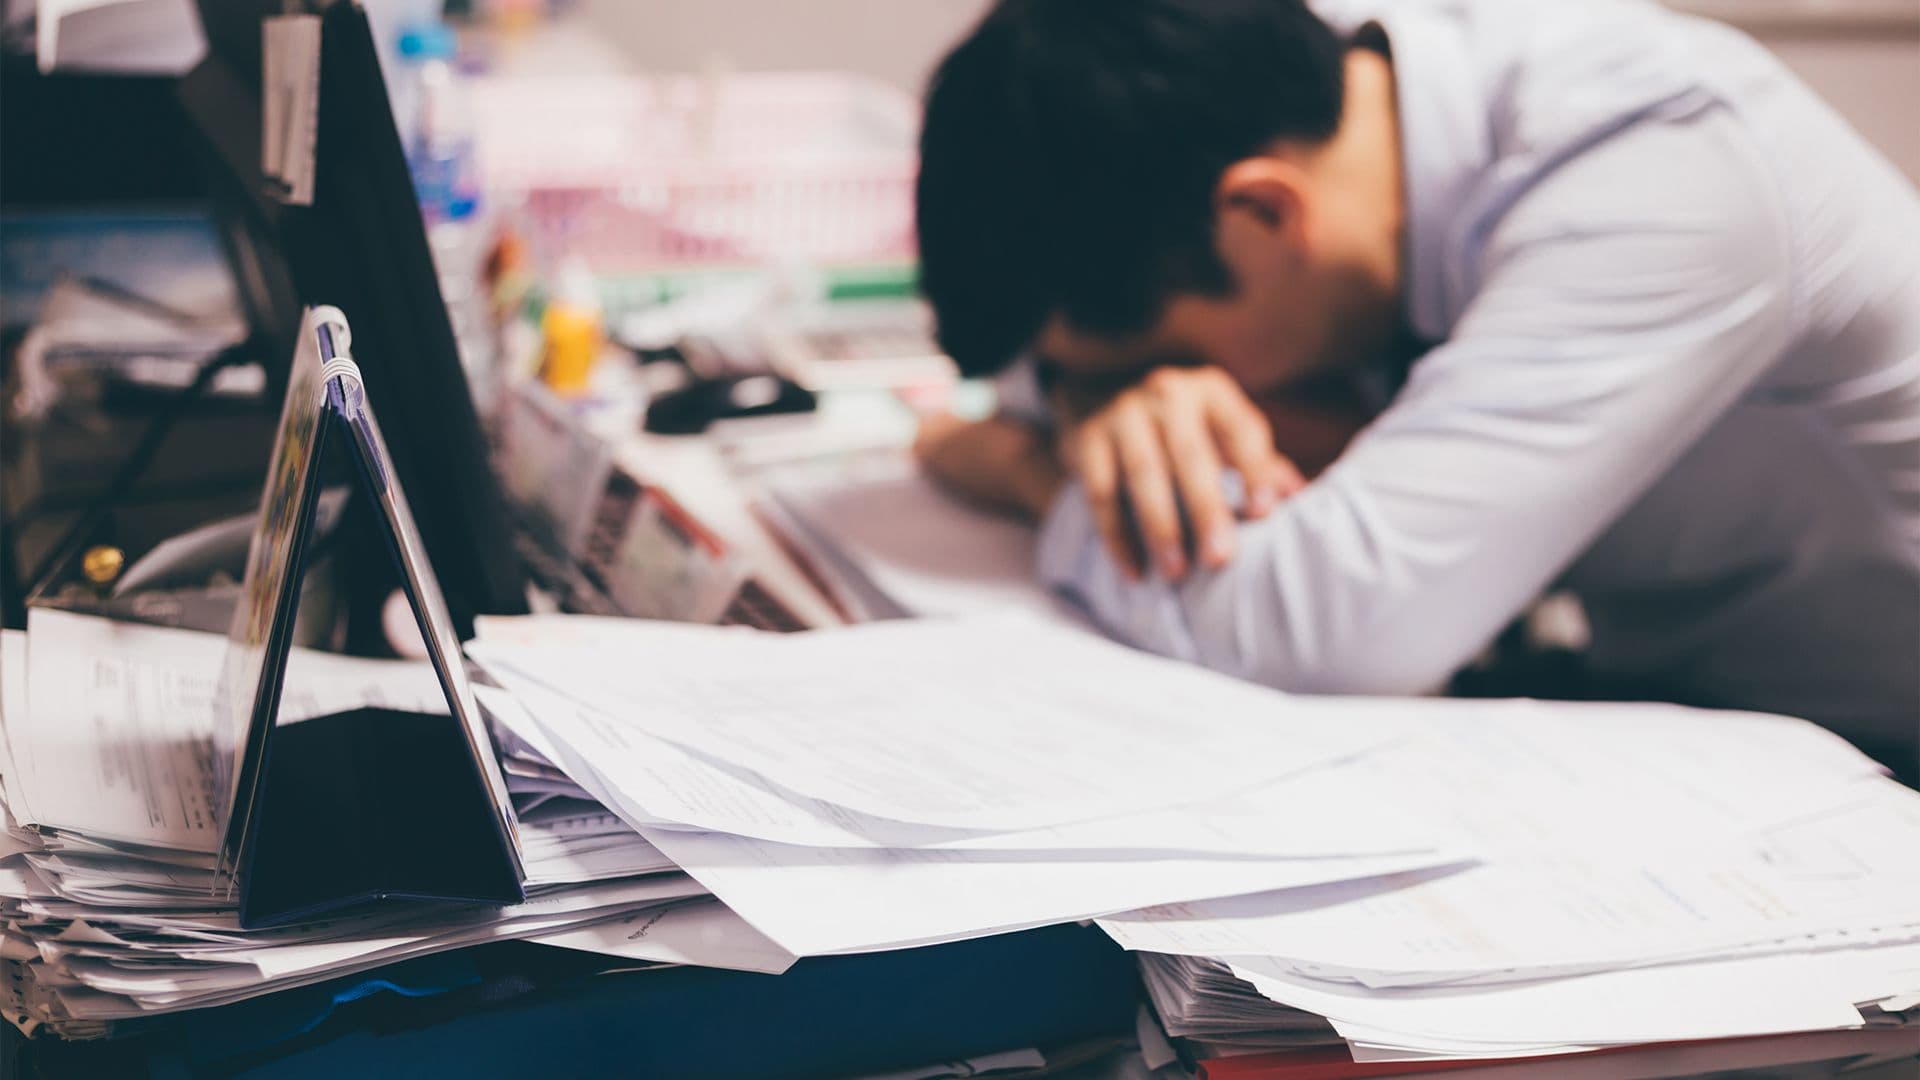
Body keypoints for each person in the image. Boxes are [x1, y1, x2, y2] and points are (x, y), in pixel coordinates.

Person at [910, 0, 1920, 775]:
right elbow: (1021, 358)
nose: (1149, 390)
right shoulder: (1317, 94)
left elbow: (1328, 635)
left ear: (1263, 212)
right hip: (1676, 707)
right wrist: (1100, 406)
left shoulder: (1656, 174)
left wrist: (1039, 473)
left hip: (1873, 759)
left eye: (1139, 359)